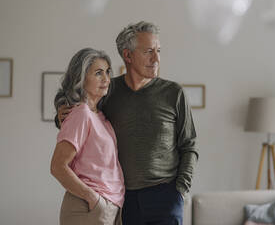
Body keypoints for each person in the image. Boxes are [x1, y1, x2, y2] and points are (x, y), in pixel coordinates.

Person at [57, 21, 198, 225]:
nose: (156, 58)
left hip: (165, 197)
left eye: (158, 50)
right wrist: (61, 113)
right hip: (124, 200)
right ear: (128, 55)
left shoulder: (174, 93)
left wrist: (180, 190)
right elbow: (82, 115)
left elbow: (189, 145)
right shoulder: (108, 90)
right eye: (148, 51)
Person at [51, 48, 124, 225]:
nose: (106, 79)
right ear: (81, 78)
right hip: (90, 207)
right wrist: (93, 198)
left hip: (109, 205)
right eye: (98, 73)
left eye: (107, 72)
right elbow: (57, 166)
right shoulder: (81, 113)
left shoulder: (99, 115)